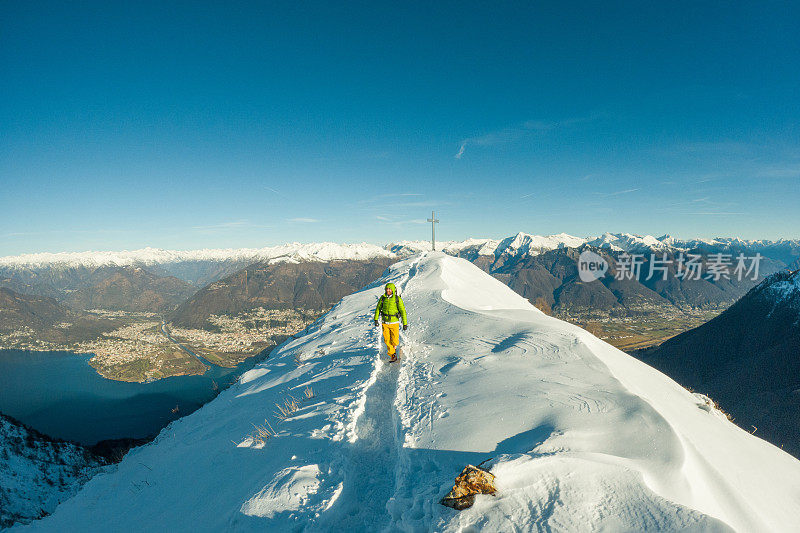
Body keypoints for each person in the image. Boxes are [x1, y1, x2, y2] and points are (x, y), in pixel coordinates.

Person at [373, 282, 407, 362]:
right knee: (387, 340)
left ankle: (394, 349)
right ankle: (392, 354)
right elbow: (378, 309)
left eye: (389, 289)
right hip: (385, 323)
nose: (388, 290)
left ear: (392, 290)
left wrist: (405, 323)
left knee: (395, 340)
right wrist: (376, 319)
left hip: (394, 323)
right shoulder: (383, 298)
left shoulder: (397, 299)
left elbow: (402, 311)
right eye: (387, 289)